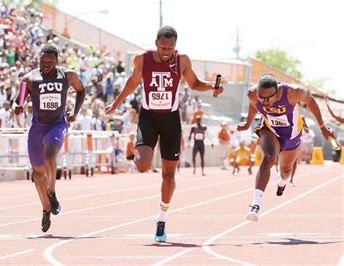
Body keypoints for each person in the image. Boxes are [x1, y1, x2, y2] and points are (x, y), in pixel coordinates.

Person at [105, 26, 223, 242]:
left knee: (168, 175)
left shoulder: (182, 60)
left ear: (175, 45)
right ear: (156, 42)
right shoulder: (142, 60)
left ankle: (162, 219)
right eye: (163, 47)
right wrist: (116, 103)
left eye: (170, 48)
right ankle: (136, 148)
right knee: (142, 166)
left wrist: (211, 88)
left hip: (171, 120)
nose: (167, 51)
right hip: (148, 117)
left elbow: (195, 84)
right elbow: (133, 82)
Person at [237, 73, 334, 221]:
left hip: (292, 135)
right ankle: (256, 205)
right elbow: (253, 105)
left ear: (277, 92)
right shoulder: (252, 94)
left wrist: (322, 127)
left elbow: (311, 102)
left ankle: (282, 182)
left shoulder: (293, 92)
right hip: (270, 129)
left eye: (268, 99)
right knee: (269, 157)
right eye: (261, 98)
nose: (265, 102)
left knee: (286, 170)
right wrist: (248, 124)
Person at [15, 45, 86, 233]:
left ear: (57, 61)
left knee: (49, 157)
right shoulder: (29, 79)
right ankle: (46, 209)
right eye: (43, 61)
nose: (46, 65)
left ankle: (52, 190)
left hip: (57, 125)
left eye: (50, 62)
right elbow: (19, 100)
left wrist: (75, 112)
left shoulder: (68, 76)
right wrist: (18, 106)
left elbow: (81, 91)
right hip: (37, 127)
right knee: (38, 174)